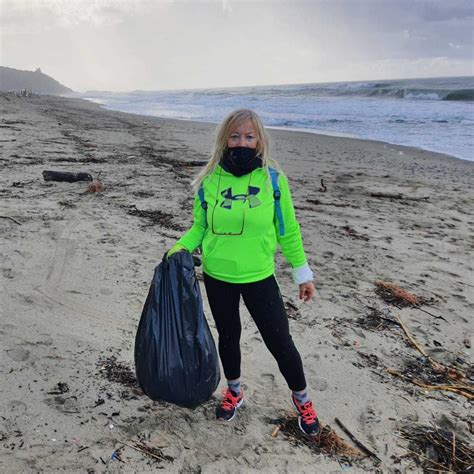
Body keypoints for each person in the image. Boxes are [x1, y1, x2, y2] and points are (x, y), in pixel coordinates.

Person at [168, 109, 320, 436]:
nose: (242, 142)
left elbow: (288, 230)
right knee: (228, 337)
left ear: (259, 140)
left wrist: (302, 273)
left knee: (280, 342)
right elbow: (199, 228)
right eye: (235, 136)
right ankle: (234, 391)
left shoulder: (273, 181)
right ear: (224, 139)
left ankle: (302, 399)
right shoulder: (209, 182)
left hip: (259, 277)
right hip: (218, 276)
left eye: (249, 136)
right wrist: (179, 248)